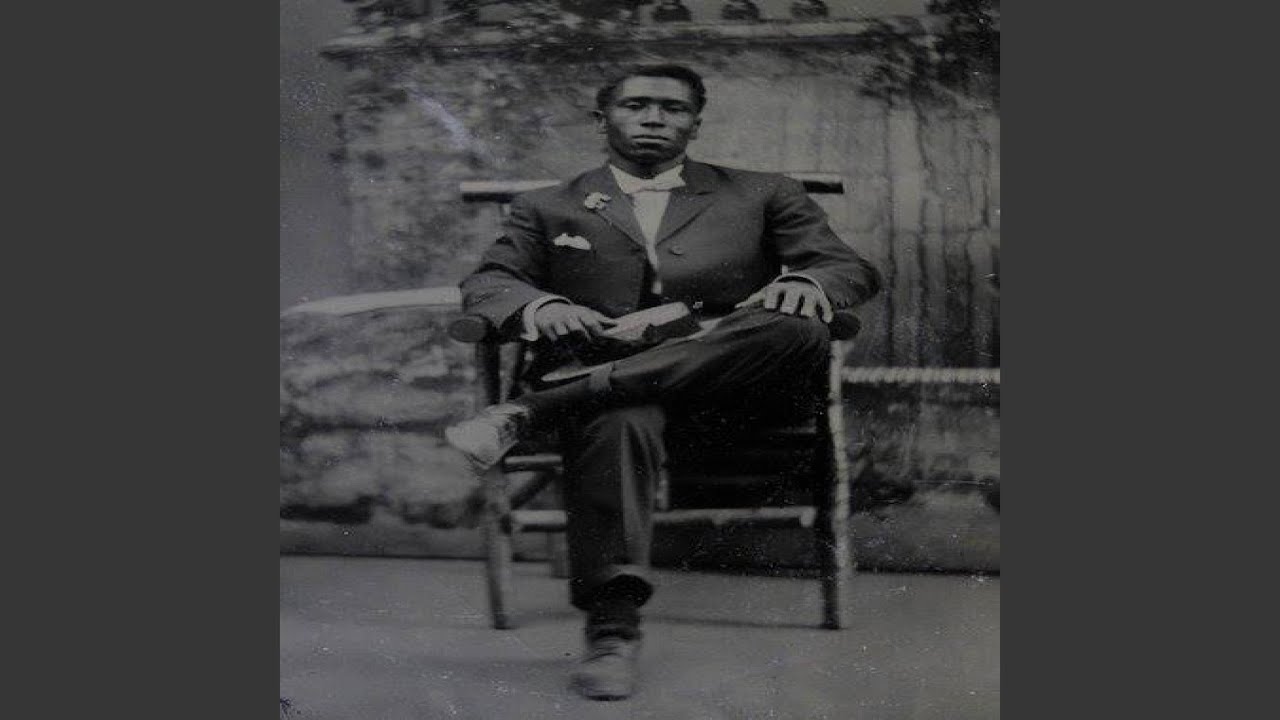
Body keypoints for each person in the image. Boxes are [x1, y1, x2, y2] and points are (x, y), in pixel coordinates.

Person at [445, 64, 881, 700]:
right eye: (637, 105)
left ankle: (534, 408)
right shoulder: (547, 205)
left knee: (798, 327)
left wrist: (805, 282)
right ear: (602, 120)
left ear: (695, 124)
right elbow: (489, 282)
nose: (654, 118)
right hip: (617, 391)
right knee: (617, 415)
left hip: (733, 389)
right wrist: (541, 305)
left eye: (673, 108)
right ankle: (612, 630)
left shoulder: (763, 192)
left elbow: (846, 267)